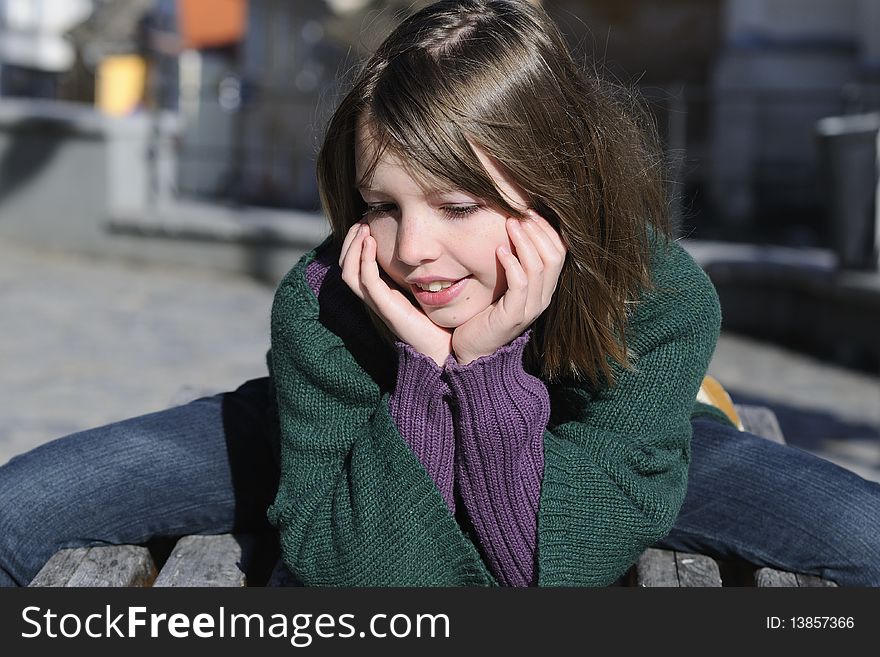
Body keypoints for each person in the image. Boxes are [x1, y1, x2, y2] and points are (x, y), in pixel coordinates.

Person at [1, 0, 878, 587]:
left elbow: (538, 568)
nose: (413, 251)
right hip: (340, 445)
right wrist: (426, 369)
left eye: (459, 204)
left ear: (557, 188)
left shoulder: (654, 297)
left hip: (598, 443)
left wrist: (487, 369)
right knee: (19, 507)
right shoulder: (324, 305)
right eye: (381, 205)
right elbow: (371, 580)